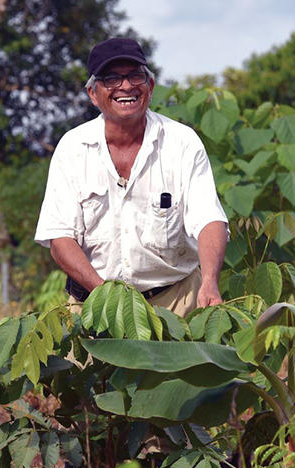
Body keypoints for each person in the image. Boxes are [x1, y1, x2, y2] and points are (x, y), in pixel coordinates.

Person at [34, 37, 229, 316]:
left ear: (149, 87)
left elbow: (209, 218)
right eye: (111, 79)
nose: (126, 86)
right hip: (96, 304)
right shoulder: (72, 149)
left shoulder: (181, 142)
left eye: (135, 76)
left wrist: (210, 282)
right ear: (93, 93)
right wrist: (104, 294)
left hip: (175, 302)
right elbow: (60, 238)